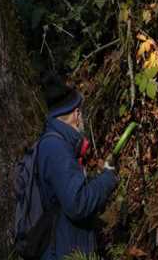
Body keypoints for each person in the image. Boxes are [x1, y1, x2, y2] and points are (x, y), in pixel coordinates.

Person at [38, 76, 118, 259]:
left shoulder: (55, 144)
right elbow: (77, 204)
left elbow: (66, 192)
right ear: (75, 114)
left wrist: (95, 181)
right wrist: (107, 179)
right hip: (62, 252)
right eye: (81, 112)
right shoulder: (56, 149)